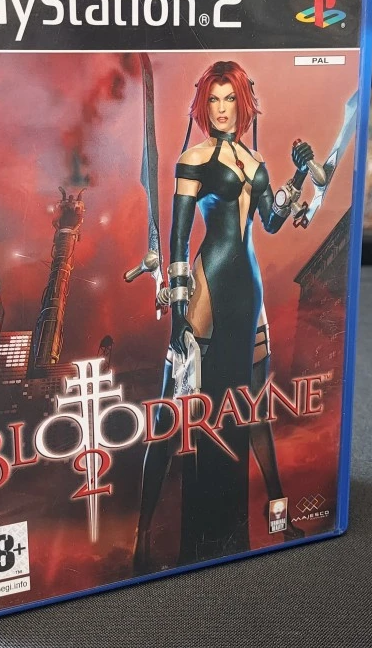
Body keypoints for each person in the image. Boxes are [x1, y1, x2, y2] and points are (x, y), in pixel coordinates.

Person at [133, 61, 311, 573]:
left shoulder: (255, 160)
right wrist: (178, 312)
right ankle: (141, 536)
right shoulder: (193, 158)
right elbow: (178, 239)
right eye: (213, 100)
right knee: (171, 417)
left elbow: (271, 222)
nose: (222, 109)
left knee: (254, 409)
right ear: (202, 105)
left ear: (243, 101)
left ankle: (279, 514)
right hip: (208, 287)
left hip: (248, 291)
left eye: (230, 98)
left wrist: (300, 173)